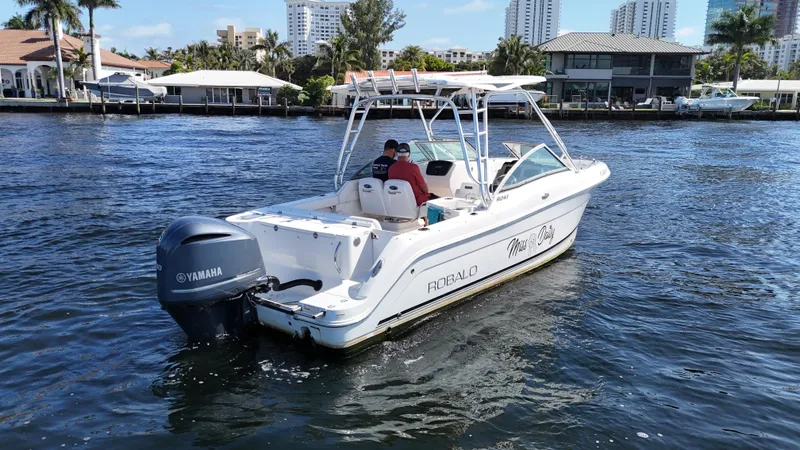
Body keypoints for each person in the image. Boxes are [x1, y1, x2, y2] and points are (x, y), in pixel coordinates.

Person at [388, 143, 433, 207]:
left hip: (397, 200)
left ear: (397, 154)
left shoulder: (391, 168)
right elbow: (424, 187)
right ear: (409, 154)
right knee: (435, 198)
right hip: (415, 200)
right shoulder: (413, 167)